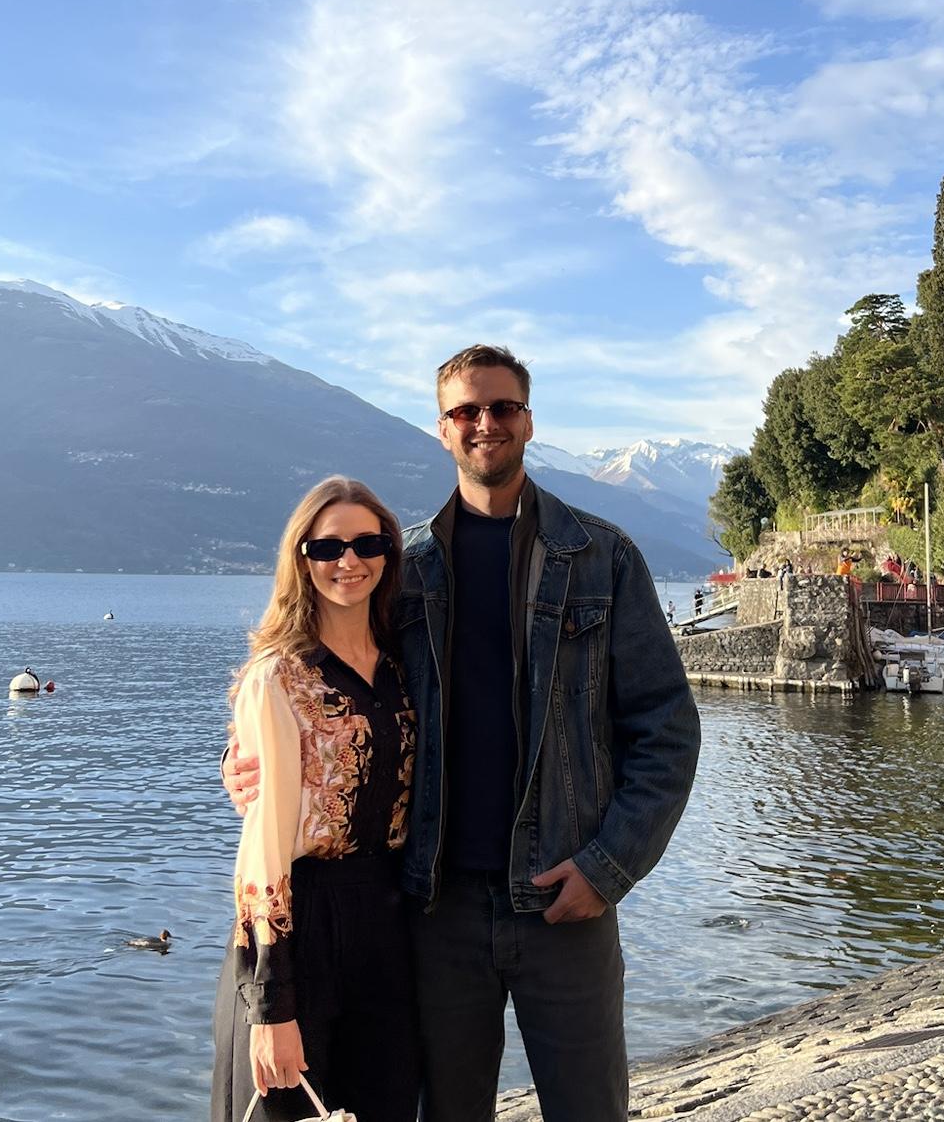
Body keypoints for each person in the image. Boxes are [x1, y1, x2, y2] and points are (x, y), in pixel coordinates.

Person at [226, 344, 700, 1122]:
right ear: (442, 430)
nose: (485, 423)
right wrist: (246, 759)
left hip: (563, 899)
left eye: (502, 407)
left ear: (528, 421)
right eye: (465, 412)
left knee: (591, 1111)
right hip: (434, 908)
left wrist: (609, 866)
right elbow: (319, 682)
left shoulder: (602, 558)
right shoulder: (402, 564)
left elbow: (668, 730)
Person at [210, 477, 420, 1122]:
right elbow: (263, 848)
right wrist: (273, 1004)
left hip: (390, 925)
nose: (348, 561)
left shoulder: (405, 665)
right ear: (301, 558)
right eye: (327, 548)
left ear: (389, 553)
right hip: (301, 926)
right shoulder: (278, 676)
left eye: (367, 543)